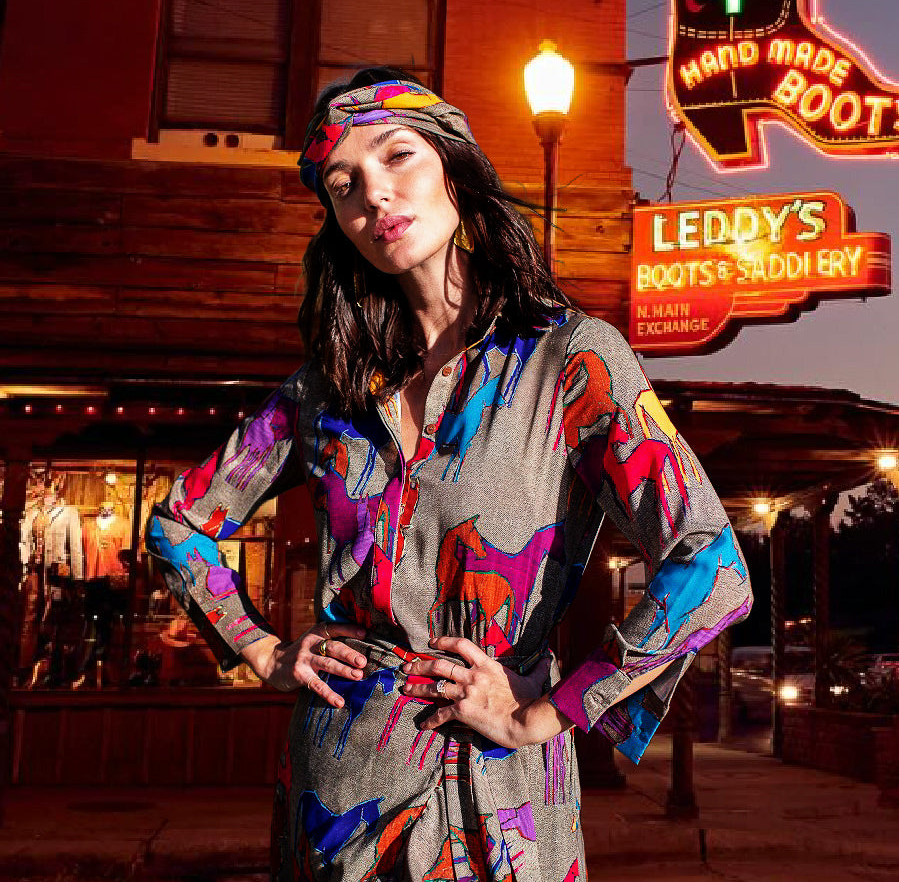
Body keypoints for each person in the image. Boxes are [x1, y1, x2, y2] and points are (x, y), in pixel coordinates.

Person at [146, 68, 752, 882]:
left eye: (398, 156)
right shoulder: (326, 389)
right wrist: (259, 648)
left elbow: (710, 561)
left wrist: (551, 711)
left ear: (456, 171)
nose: (374, 194)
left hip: (502, 790)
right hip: (340, 786)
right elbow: (179, 521)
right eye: (343, 185)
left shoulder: (571, 361)